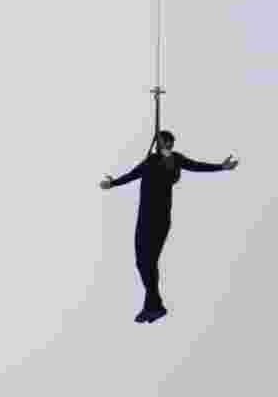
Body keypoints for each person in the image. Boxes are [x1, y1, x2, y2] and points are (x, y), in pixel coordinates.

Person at [100, 130, 237, 323]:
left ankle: (153, 306)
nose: (165, 145)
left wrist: (221, 167)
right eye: (163, 141)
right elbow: (132, 175)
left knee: (149, 261)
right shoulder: (150, 161)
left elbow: (196, 166)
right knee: (142, 262)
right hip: (144, 217)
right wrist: (113, 183)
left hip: (159, 218)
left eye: (168, 142)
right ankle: (153, 306)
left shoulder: (174, 160)